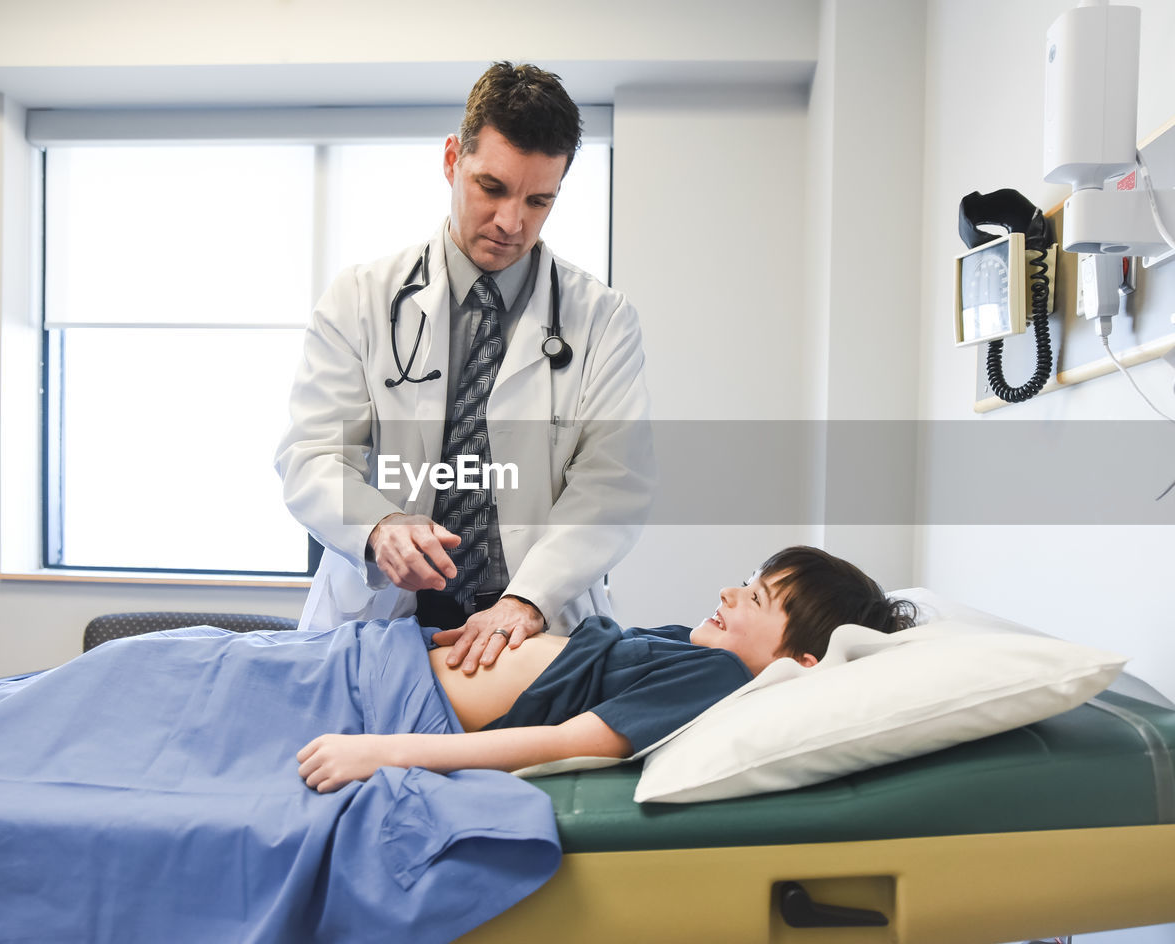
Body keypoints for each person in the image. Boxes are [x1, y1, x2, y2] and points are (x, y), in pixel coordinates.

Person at [275, 61, 654, 679]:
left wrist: (527, 599)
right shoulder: (361, 299)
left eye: (539, 200)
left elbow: (613, 486)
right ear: (453, 160)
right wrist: (379, 526)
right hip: (380, 621)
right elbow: (311, 456)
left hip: (531, 630)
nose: (512, 223)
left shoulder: (602, 319)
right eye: (493, 188)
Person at [297, 546, 918, 793]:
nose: (729, 592)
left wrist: (382, 754)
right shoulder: (695, 650)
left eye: (755, 598)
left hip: (394, 701)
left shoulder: (720, 679)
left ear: (799, 664)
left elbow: (564, 742)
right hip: (387, 655)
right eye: (747, 582)